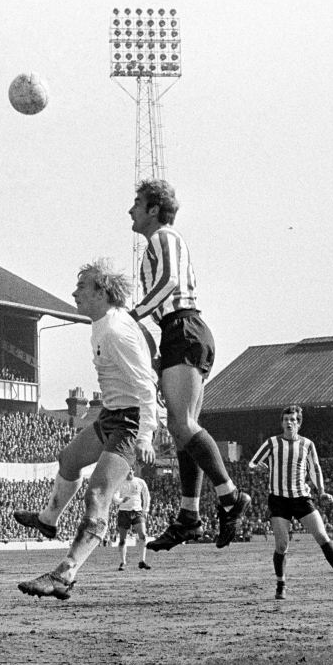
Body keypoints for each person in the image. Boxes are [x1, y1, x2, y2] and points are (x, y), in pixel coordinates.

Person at [14, 258, 156, 600]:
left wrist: (147, 434)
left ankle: (65, 575)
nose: (74, 292)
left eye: (82, 287)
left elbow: (146, 384)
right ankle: (49, 519)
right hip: (111, 414)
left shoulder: (115, 331)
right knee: (69, 459)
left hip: (130, 421)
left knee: (97, 497)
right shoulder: (105, 323)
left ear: (102, 292)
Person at [127, 178, 251, 551]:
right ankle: (189, 516)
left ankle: (231, 498)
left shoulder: (164, 236)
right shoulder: (158, 242)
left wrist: (133, 315)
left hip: (183, 327)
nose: (130, 210)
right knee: (182, 429)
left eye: (136, 202)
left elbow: (168, 282)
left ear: (153, 209)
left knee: (182, 425)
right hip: (180, 330)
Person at [249, 404, 333, 600]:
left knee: (322, 535)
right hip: (278, 500)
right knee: (282, 545)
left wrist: (322, 492)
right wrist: (257, 468)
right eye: (286, 420)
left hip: (302, 498)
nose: (289, 423)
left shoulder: (307, 445)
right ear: (282, 423)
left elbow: (315, 468)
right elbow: (252, 463)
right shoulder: (272, 443)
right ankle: (281, 584)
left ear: (298, 423)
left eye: (292, 420)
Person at [113, 467, 151, 571]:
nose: (129, 472)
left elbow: (146, 496)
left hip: (137, 511)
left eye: (130, 470)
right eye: (127, 470)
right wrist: (121, 500)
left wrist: (145, 510)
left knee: (143, 535)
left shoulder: (140, 482)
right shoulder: (120, 483)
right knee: (122, 540)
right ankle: (123, 562)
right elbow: (115, 497)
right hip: (124, 512)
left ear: (133, 471)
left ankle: (142, 561)